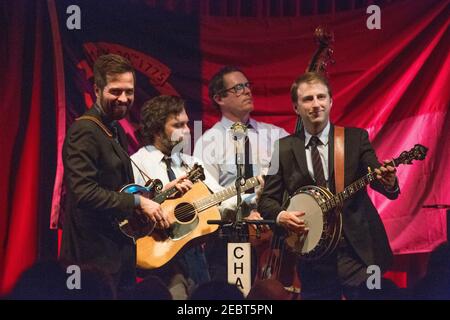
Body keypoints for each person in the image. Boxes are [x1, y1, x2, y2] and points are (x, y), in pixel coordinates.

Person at [258, 72, 400, 299]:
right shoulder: (283, 148)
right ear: (296, 107)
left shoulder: (355, 139)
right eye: (308, 99)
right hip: (314, 259)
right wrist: (281, 215)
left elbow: (380, 181)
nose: (316, 104)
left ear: (331, 101)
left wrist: (389, 182)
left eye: (321, 97)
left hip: (360, 254)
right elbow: (267, 200)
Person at [60, 54, 167, 294]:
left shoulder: (113, 128)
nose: (124, 98)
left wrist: (151, 198)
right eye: (115, 91)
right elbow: (84, 193)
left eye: (129, 91)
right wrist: (138, 202)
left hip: (117, 256)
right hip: (93, 262)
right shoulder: (84, 131)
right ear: (97, 89)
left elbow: (117, 187)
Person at [193, 65, 289, 281]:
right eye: (238, 88)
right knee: (239, 294)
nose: (247, 91)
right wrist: (245, 209)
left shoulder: (275, 135)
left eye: (247, 85)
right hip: (232, 237)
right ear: (219, 98)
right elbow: (207, 197)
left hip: (275, 235)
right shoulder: (207, 143)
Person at [131, 95, 230, 299]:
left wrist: (252, 195)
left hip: (195, 255)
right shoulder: (136, 163)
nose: (187, 130)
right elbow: (128, 214)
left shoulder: (191, 163)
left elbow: (223, 199)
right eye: (179, 125)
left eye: (186, 123)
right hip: (159, 256)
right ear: (158, 130)